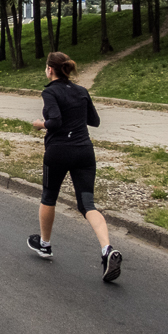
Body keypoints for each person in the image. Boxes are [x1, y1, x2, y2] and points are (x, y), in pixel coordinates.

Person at [27, 52, 122, 282]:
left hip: (59, 151)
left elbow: (56, 122)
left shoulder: (49, 91)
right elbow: (94, 120)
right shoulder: (81, 91)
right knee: (87, 204)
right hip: (84, 151)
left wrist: (42, 124)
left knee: (49, 196)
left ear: (50, 69)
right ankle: (107, 249)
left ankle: (45, 244)